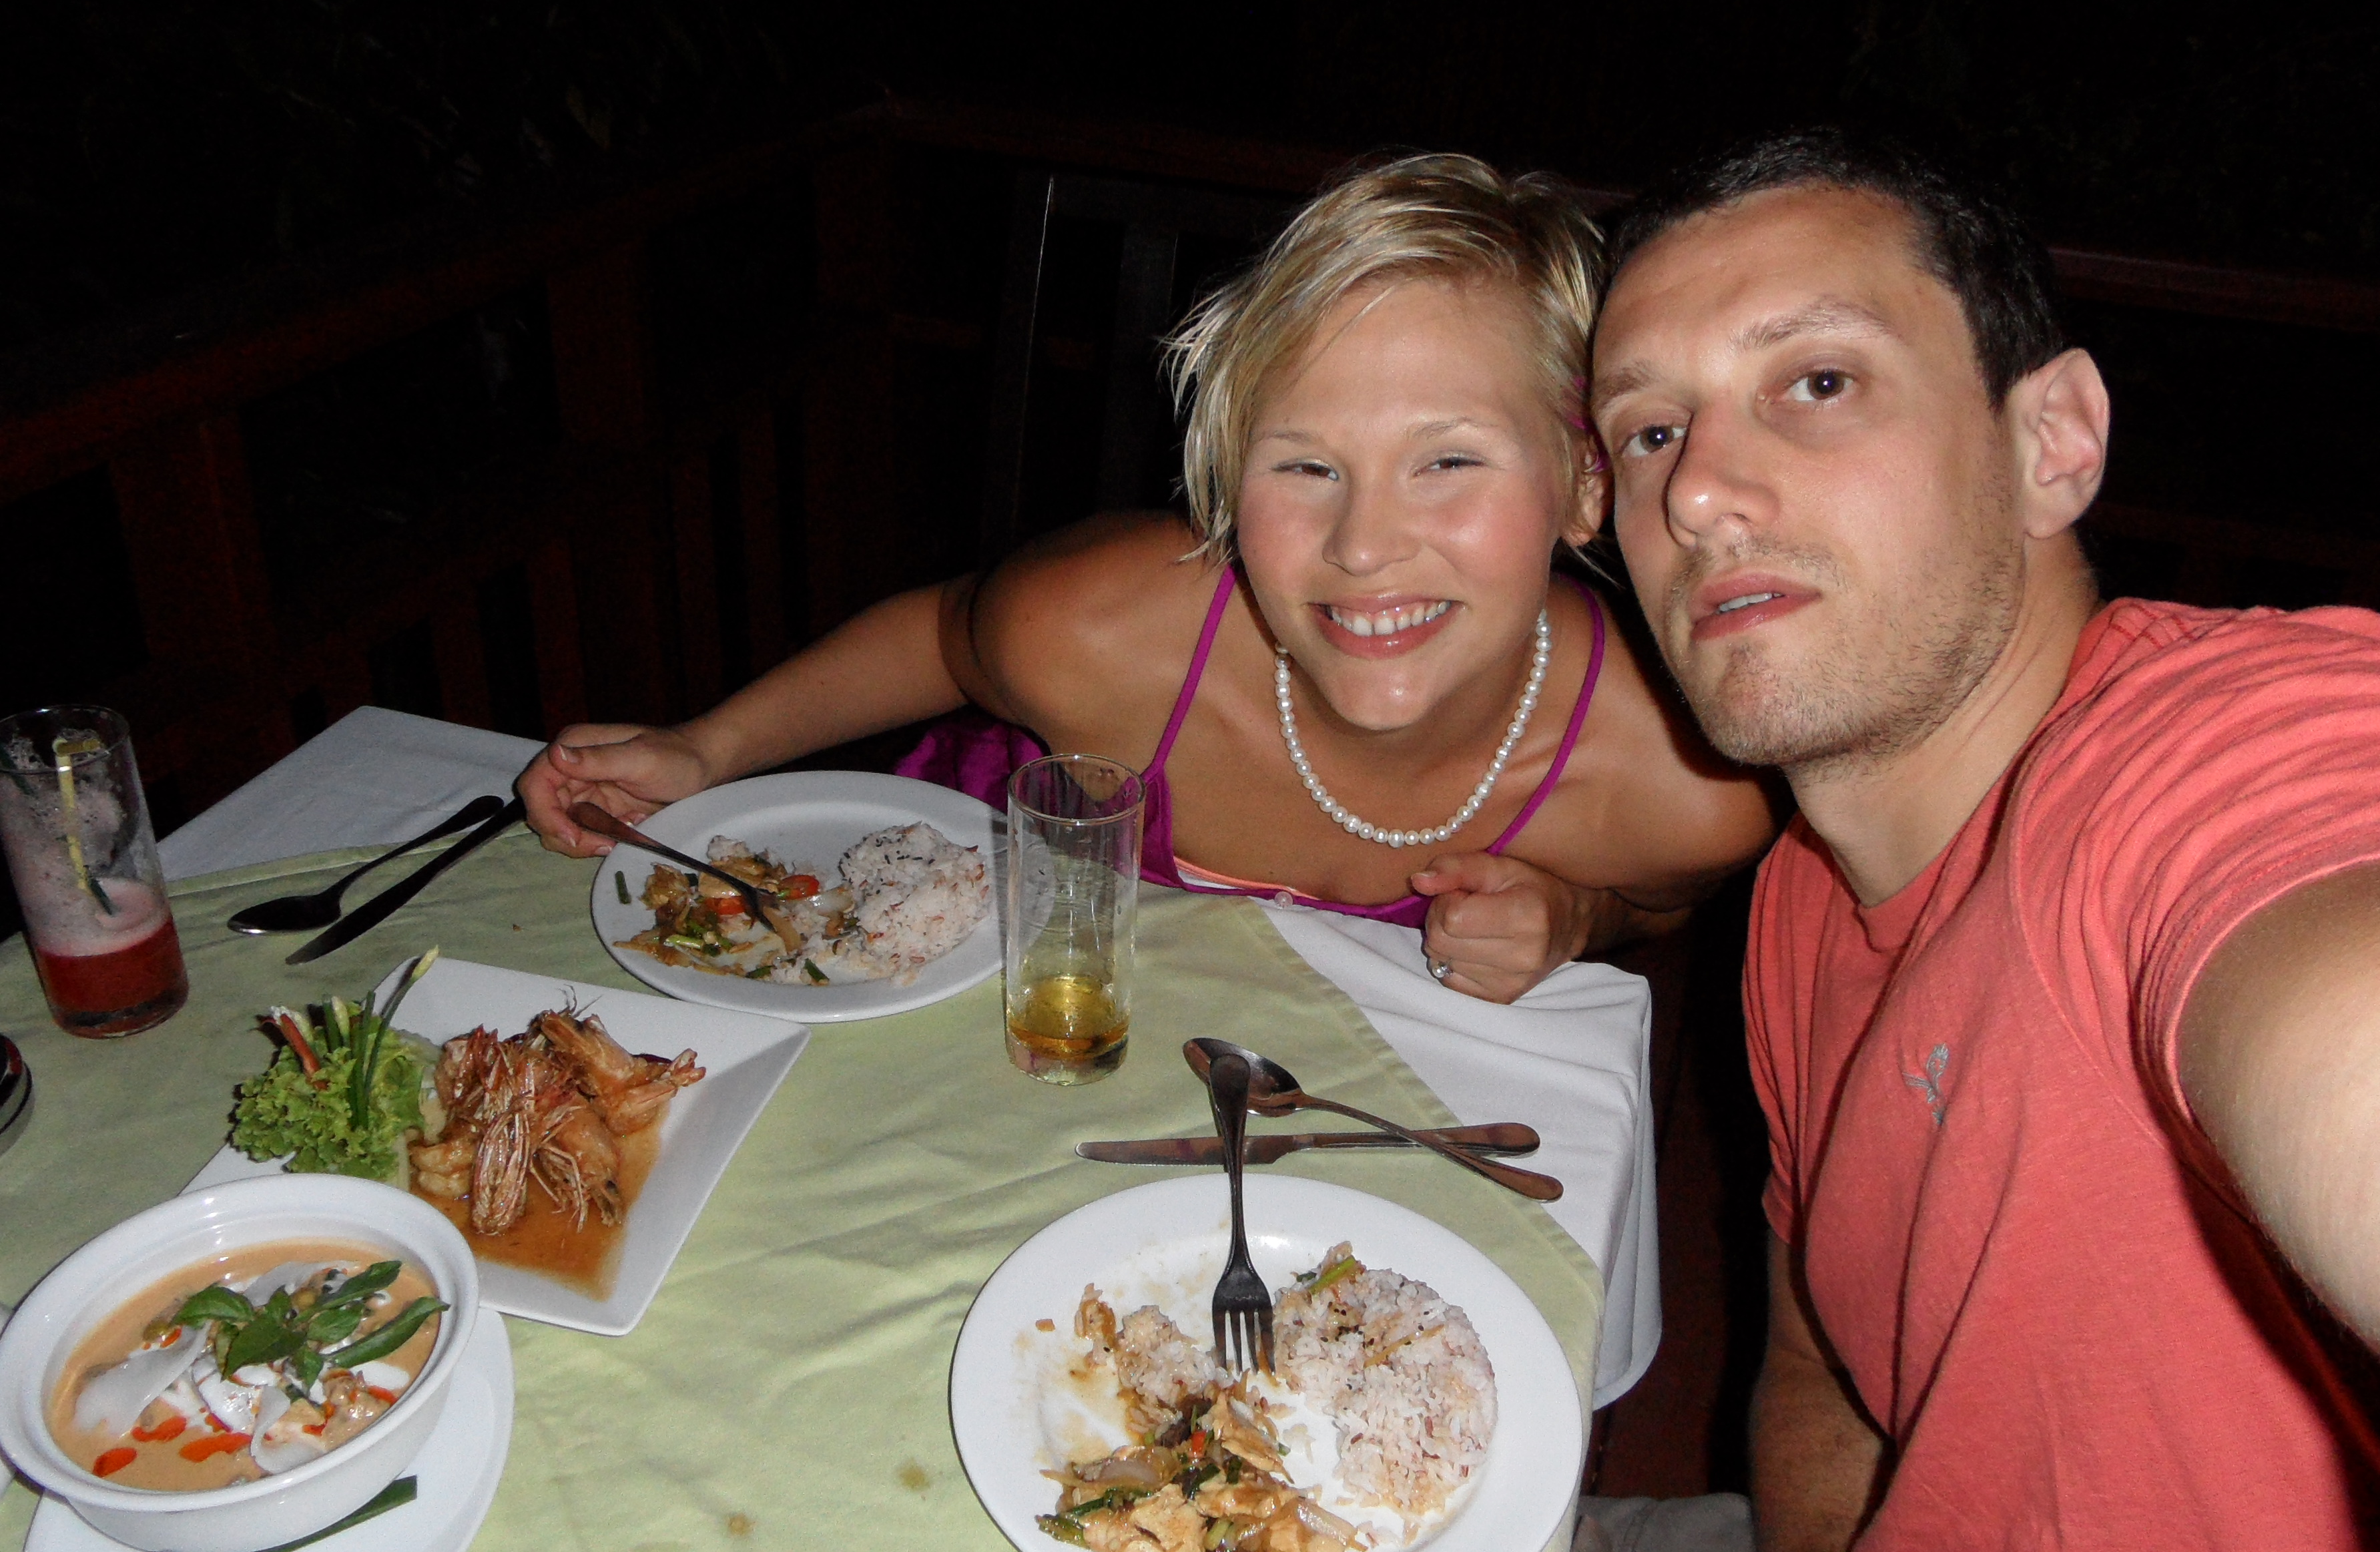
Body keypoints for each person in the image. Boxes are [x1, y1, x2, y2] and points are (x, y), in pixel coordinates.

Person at [1591, 130, 2380, 1552]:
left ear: (2051, 443)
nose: (1695, 491)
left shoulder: (2199, 765)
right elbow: (1825, 1357)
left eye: (1814, 383)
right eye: (1650, 428)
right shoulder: (1798, 900)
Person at [521, 154, 1773, 1002]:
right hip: (967, 971)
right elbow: (944, 637)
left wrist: (1577, 921)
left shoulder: (1689, 785)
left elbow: (1658, 907)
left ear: (1586, 483)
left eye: (1448, 460)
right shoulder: (1096, 627)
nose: (1362, 545)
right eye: (1304, 467)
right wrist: (707, 748)